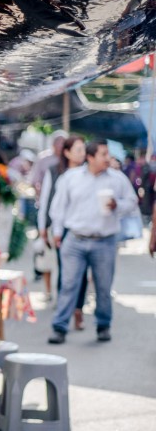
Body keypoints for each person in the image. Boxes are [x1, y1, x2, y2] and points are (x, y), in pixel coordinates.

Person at [48, 140, 139, 343]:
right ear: (90, 157)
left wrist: (118, 205)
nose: (108, 158)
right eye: (103, 154)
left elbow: (132, 202)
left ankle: (103, 325)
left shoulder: (117, 179)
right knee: (68, 284)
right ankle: (60, 327)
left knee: (103, 287)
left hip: (104, 241)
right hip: (75, 239)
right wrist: (56, 232)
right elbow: (58, 207)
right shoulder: (71, 178)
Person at [38, 135, 88, 328]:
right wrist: (43, 226)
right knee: (64, 270)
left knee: (82, 272)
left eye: (83, 149)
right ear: (66, 153)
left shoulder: (88, 173)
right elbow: (45, 200)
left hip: (83, 228)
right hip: (62, 228)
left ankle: (78, 310)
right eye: (77, 149)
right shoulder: (55, 171)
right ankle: (64, 307)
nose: (81, 154)